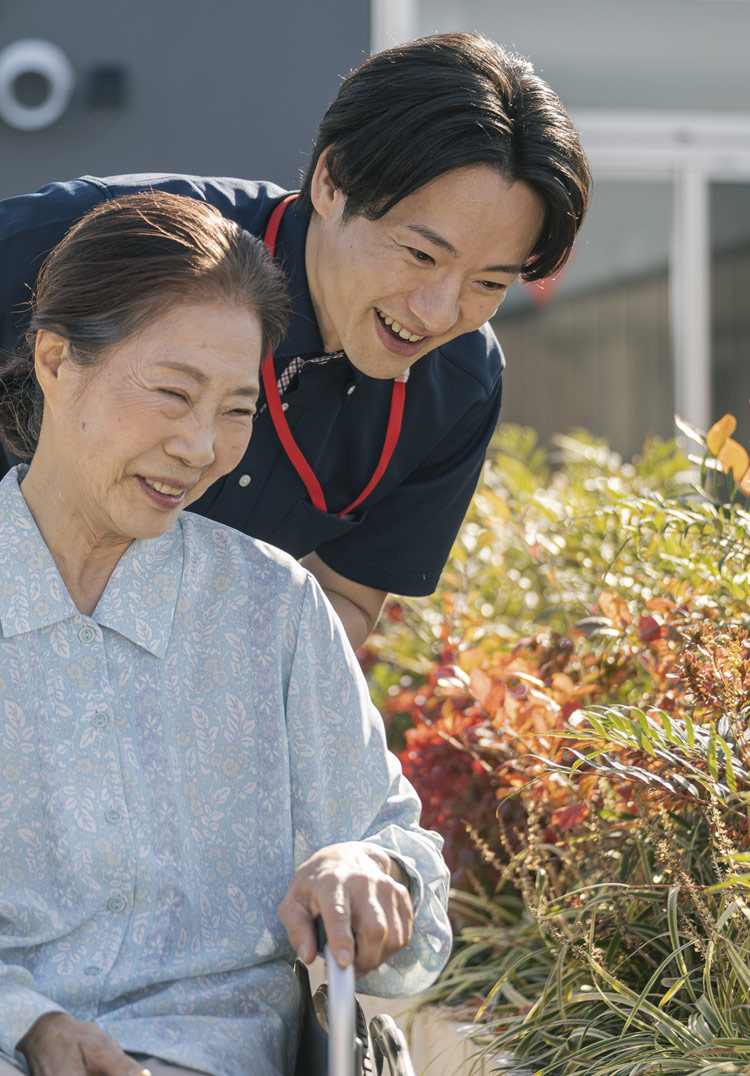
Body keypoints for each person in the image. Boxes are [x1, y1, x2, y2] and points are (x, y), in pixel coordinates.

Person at [0, 192, 451, 1076]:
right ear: (55, 359)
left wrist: (371, 870)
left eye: (237, 410)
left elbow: (408, 881)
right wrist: (31, 1023)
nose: (201, 446)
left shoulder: (272, 611)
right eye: (172, 392)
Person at [0, 32, 591, 649]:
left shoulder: (461, 383)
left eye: (489, 282)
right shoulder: (93, 240)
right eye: (421, 254)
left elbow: (348, 597)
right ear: (332, 183)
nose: (439, 313)